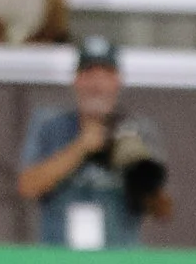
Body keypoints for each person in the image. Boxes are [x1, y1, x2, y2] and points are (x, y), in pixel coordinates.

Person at [16, 37, 171, 250]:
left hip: (119, 262)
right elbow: (27, 186)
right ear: (77, 80)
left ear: (117, 81)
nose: (97, 85)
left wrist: (137, 172)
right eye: (89, 74)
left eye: (105, 75)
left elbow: (162, 211)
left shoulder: (138, 129)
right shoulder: (49, 126)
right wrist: (81, 147)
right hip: (59, 261)